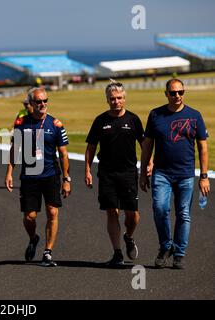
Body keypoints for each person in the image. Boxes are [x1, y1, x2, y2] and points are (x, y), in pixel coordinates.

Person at [140, 79, 210, 270]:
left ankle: (179, 253)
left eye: (180, 92)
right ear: (166, 94)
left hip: (186, 174)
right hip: (161, 173)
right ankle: (165, 246)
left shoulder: (195, 116)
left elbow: (203, 147)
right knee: (160, 209)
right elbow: (147, 145)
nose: (177, 96)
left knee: (184, 214)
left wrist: (204, 176)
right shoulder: (155, 115)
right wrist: (143, 172)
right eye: (173, 93)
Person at [5, 87, 71, 267]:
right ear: (31, 104)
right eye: (38, 102)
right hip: (29, 177)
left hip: (51, 175)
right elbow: (14, 150)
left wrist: (66, 179)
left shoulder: (55, 124)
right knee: (30, 217)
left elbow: (63, 154)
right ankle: (33, 238)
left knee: (52, 211)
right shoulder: (21, 123)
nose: (43, 104)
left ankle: (48, 252)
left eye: (45, 101)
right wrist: (9, 172)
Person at [85, 81, 147, 267]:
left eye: (119, 98)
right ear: (107, 100)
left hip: (128, 173)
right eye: (112, 98)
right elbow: (91, 147)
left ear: (124, 99)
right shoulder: (100, 120)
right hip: (107, 173)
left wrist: (148, 164)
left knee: (133, 215)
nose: (116, 101)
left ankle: (128, 236)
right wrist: (87, 170)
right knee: (112, 212)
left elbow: (144, 144)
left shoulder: (133, 119)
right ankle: (117, 252)